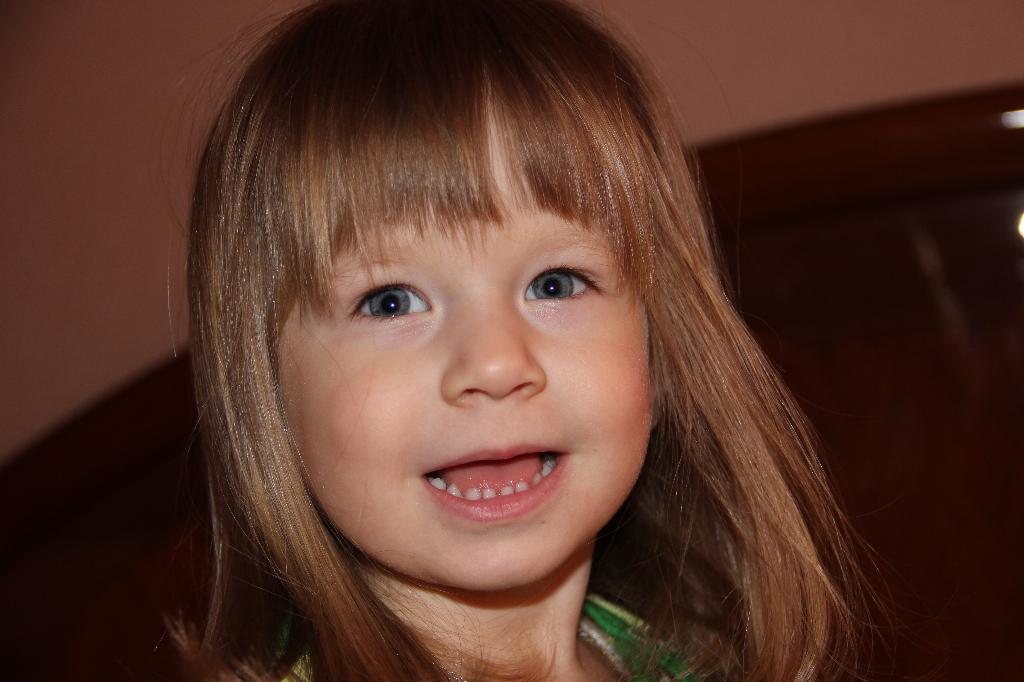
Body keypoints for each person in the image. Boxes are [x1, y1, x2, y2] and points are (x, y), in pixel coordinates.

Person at [181, 0, 871, 679]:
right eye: (390, 301)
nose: (494, 364)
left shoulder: (687, 662)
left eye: (555, 284)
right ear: (267, 391)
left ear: (661, 347)